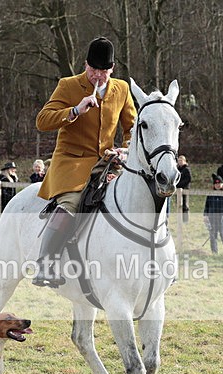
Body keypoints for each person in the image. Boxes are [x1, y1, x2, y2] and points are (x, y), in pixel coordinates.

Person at [33, 36, 136, 287]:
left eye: (104, 71)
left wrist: (124, 150)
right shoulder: (68, 85)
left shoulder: (121, 88)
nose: (98, 76)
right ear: (85, 65)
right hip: (72, 162)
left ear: (112, 69)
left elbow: (131, 126)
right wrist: (75, 110)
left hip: (109, 162)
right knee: (72, 202)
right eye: (93, 70)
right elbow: (42, 120)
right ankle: (45, 264)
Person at [203, 175, 223, 255]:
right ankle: (214, 253)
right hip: (212, 218)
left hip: (222, 218)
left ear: (222, 184)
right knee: (213, 236)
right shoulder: (210, 194)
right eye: (216, 184)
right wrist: (205, 215)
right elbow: (207, 205)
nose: (217, 185)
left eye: (219, 183)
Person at [176, 155, 192, 222]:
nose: (180, 162)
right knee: (179, 204)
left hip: (185, 189)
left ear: (184, 161)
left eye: (181, 161)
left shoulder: (186, 169)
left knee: (185, 204)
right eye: (179, 161)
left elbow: (188, 179)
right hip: (178, 189)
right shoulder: (177, 169)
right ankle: (179, 218)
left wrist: (180, 185)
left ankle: (185, 219)